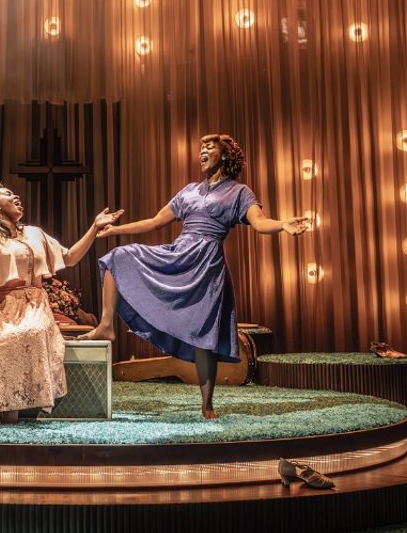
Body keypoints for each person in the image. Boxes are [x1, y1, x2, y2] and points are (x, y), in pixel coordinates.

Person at [77, 134, 309, 419]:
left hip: (208, 266)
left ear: (224, 155)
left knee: (204, 336)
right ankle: (105, 325)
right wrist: (115, 230)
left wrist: (283, 224)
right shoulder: (188, 191)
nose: (202, 151)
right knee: (117, 258)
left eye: (209, 147)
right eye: (201, 148)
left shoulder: (239, 192)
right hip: (180, 253)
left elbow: (260, 223)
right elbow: (153, 221)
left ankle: (207, 403)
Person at [0, 180, 123, 424]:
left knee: (30, 332)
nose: (16, 196)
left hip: (34, 307)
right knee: (1, 341)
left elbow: (70, 257)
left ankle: (10, 414)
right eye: (8, 194)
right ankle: (0, 415)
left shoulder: (35, 233)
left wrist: (94, 227)